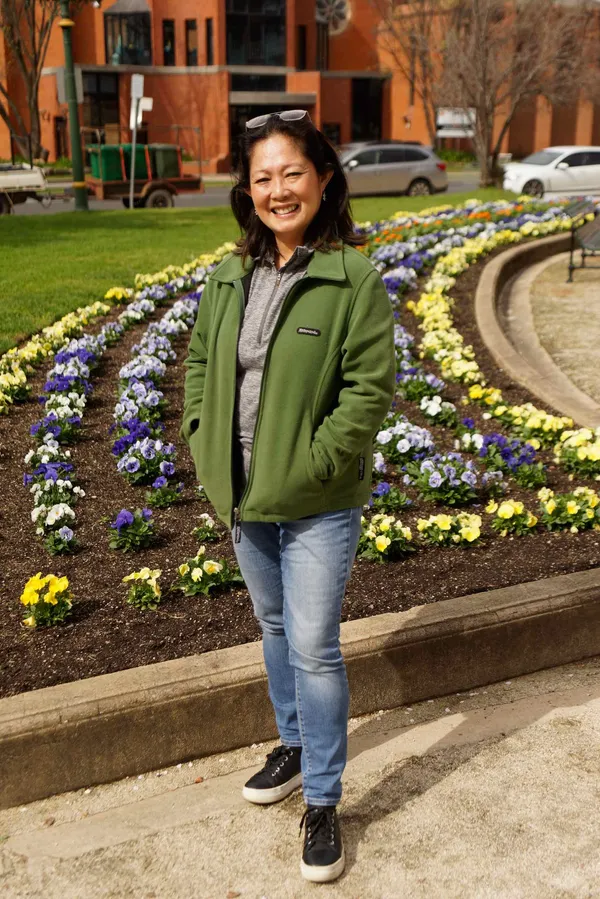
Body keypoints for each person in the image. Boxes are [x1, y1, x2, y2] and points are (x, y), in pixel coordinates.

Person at [182, 110, 395, 884]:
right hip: (243, 497)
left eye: (291, 174)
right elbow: (203, 364)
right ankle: (295, 742)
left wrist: (316, 462)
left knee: (314, 643)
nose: (278, 190)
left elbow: (368, 393)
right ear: (247, 189)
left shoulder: (352, 279)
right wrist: (204, 434)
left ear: (324, 180)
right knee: (273, 625)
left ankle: (326, 800)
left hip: (317, 502)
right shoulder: (229, 273)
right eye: (263, 176)